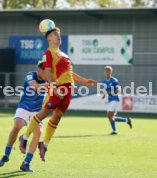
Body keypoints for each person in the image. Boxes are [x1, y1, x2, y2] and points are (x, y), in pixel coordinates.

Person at [19, 27, 97, 162]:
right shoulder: (48, 53)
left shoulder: (64, 54)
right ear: (49, 38)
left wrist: (85, 81)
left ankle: (44, 144)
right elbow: (48, 72)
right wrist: (53, 88)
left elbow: (70, 73)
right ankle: (24, 137)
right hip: (58, 88)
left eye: (59, 34)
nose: (59, 36)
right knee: (44, 113)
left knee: (57, 117)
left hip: (68, 89)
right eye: (56, 34)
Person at [0, 62, 48, 172]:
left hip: (37, 110)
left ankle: (26, 163)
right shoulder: (31, 75)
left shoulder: (49, 78)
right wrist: (50, 85)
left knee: (38, 132)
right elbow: (35, 87)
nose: (46, 75)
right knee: (17, 125)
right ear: (39, 71)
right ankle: (6, 154)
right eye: (45, 73)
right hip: (24, 107)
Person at [102, 66, 132, 135]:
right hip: (110, 100)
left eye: (108, 71)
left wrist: (110, 93)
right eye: (106, 71)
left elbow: (118, 91)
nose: (107, 72)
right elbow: (106, 89)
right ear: (104, 72)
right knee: (112, 117)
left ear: (111, 72)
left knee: (109, 116)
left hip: (115, 99)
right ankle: (127, 120)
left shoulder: (114, 80)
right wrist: (104, 95)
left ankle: (115, 131)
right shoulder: (104, 81)